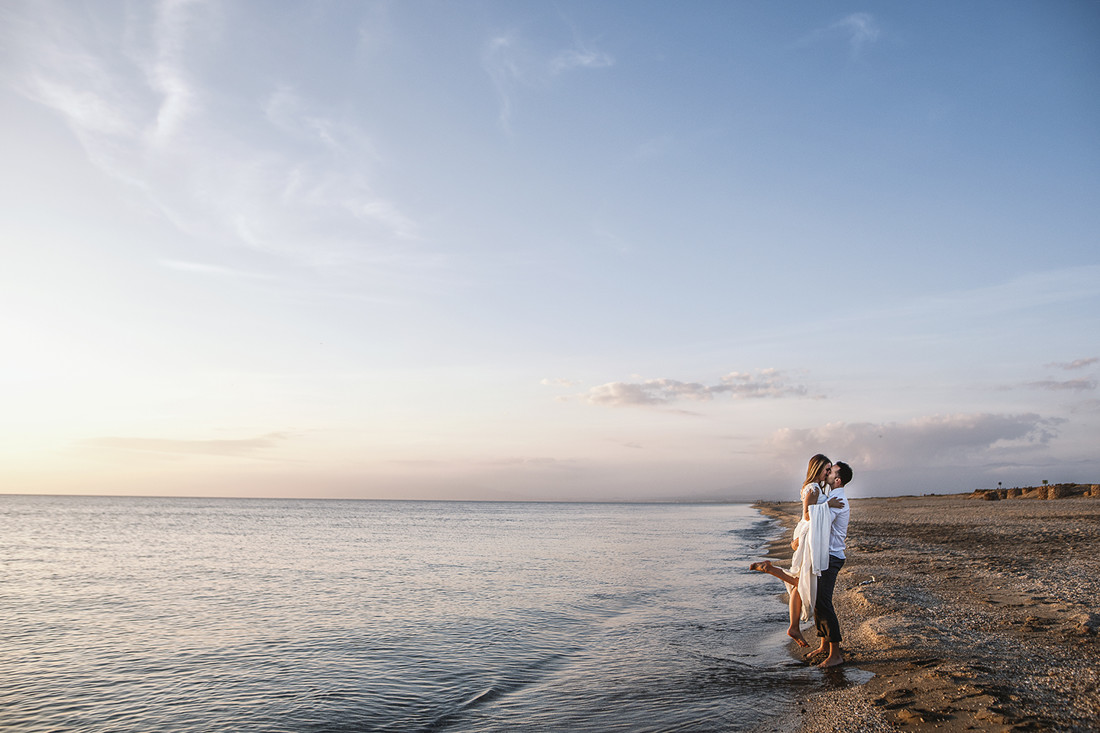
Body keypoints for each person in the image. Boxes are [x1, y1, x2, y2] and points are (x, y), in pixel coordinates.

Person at [750, 454, 842, 648]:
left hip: (809, 535)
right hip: (809, 537)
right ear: (817, 469)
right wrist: (828, 505)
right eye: (826, 469)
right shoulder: (812, 488)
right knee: (802, 580)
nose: (828, 473)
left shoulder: (816, 487)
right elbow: (808, 515)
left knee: (801, 581)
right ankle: (772, 571)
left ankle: (793, 626)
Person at [808, 461, 852, 668]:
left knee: (824, 601)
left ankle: (835, 653)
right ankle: (824, 644)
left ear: (838, 479)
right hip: (829, 554)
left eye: (831, 470)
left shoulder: (837, 497)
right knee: (819, 600)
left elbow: (821, 520)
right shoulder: (833, 496)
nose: (827, 473)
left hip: (832, 556)